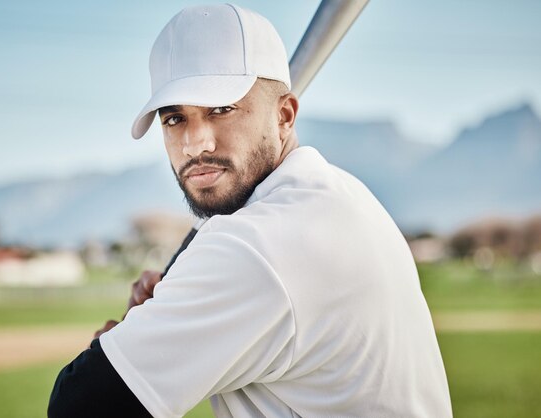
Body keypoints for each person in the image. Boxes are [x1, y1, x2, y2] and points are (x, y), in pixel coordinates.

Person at [48, 4, 452, 417]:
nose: (195, 143)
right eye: (174, 118)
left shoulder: (255, 245)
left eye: (220, 109)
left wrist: (129, 337)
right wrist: (176, 301)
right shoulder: (342, 196)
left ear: (284, 115)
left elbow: (79, 406)